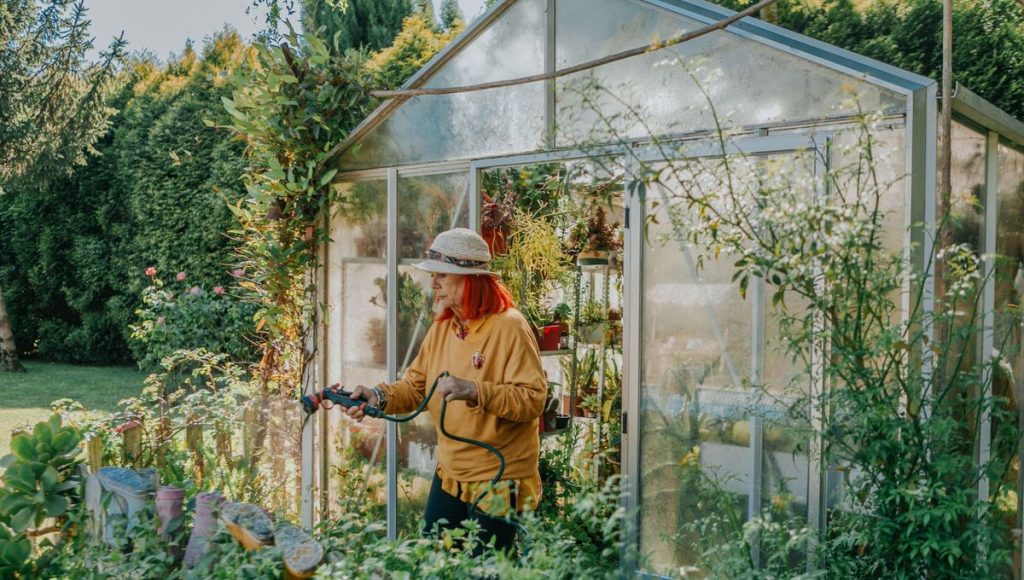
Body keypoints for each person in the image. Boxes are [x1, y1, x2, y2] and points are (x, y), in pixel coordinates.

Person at [345, 227, 546, 551]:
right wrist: (377, 396)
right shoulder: (444, 328)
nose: (433, 283)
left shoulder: (509, 326)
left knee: (487, 570)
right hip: (451, 472)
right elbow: (415, 387)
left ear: (470, 279)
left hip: (498, 479)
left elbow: (532, 399)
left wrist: (476, 391)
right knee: (435, 560)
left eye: (442, 275)